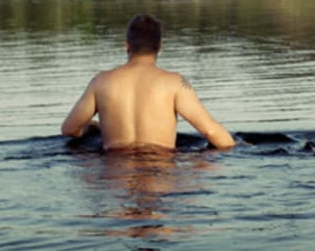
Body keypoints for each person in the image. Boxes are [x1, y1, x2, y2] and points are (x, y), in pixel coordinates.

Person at [62, 14, 236, 150]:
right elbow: (211, 131)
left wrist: (92, 127)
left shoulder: (100, 81)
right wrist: (241, 148)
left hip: (115, 174)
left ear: (127, 45)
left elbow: (69, 129)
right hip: (160, 170)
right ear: (159, 47)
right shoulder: (175, 83)